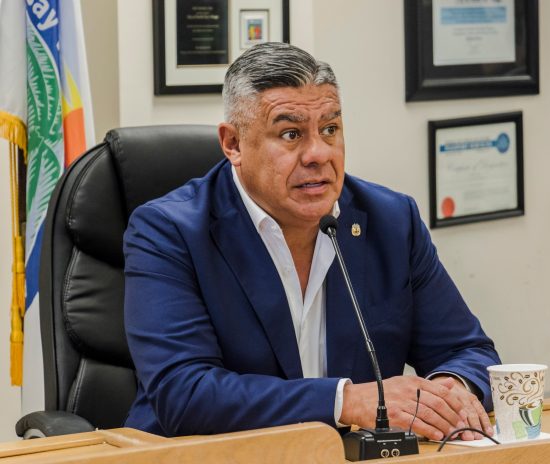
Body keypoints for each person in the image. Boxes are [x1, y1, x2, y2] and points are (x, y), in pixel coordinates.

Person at [123, 42, 501, 441]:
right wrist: (346, 401)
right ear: (233, 144)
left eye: (330, 129)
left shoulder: (391, 220)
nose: (318, 154)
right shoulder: (167, 232)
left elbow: (468, 352)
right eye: (291, 134)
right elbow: (184, 394)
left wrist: (448, 393)